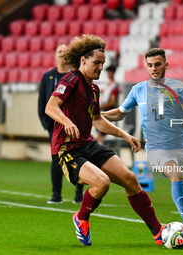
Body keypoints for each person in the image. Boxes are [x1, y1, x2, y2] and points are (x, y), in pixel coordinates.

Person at [45, 35, 164, 246]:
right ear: (83, 60)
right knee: (102, 183)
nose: (101, 67)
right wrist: (66, 122)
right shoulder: (70, 80)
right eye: (96, 63)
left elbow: (97, 120)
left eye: (103, 63)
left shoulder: (93, 89)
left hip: (87, 144)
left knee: (130, 179)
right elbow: (51, 106)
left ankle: (158, 231)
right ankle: (81, 218)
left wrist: (125, 135)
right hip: (67, 149)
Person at [102, 48, 183, 241]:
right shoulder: (138, 90)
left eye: (157, 64)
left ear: (166, 64)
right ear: (146, 67)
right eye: (150, 65)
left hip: (182, 146)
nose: (154, 69)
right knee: (176, 175)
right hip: (157, 148)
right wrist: (97, 115)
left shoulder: (178, 87)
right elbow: (120, 112)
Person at [38, 43, 83, 204]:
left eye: (65, 52)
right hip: (54, 127)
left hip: (74, 125)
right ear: (55, 55)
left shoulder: (76, 76)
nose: (62, 54)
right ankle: (56, 194)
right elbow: (42, 102)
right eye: (59, 51)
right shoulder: (48, 76)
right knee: (56, 159)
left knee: (78, 156)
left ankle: (79, 193)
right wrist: (47, 124)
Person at [96, 65, 119, 145]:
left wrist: (101, 106)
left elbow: (112, 102)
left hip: (107, 113)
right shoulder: (109, 85)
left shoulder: (113, 87)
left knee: (99, 136)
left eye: (110, 72)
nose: (108, 74)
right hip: (104, 111)